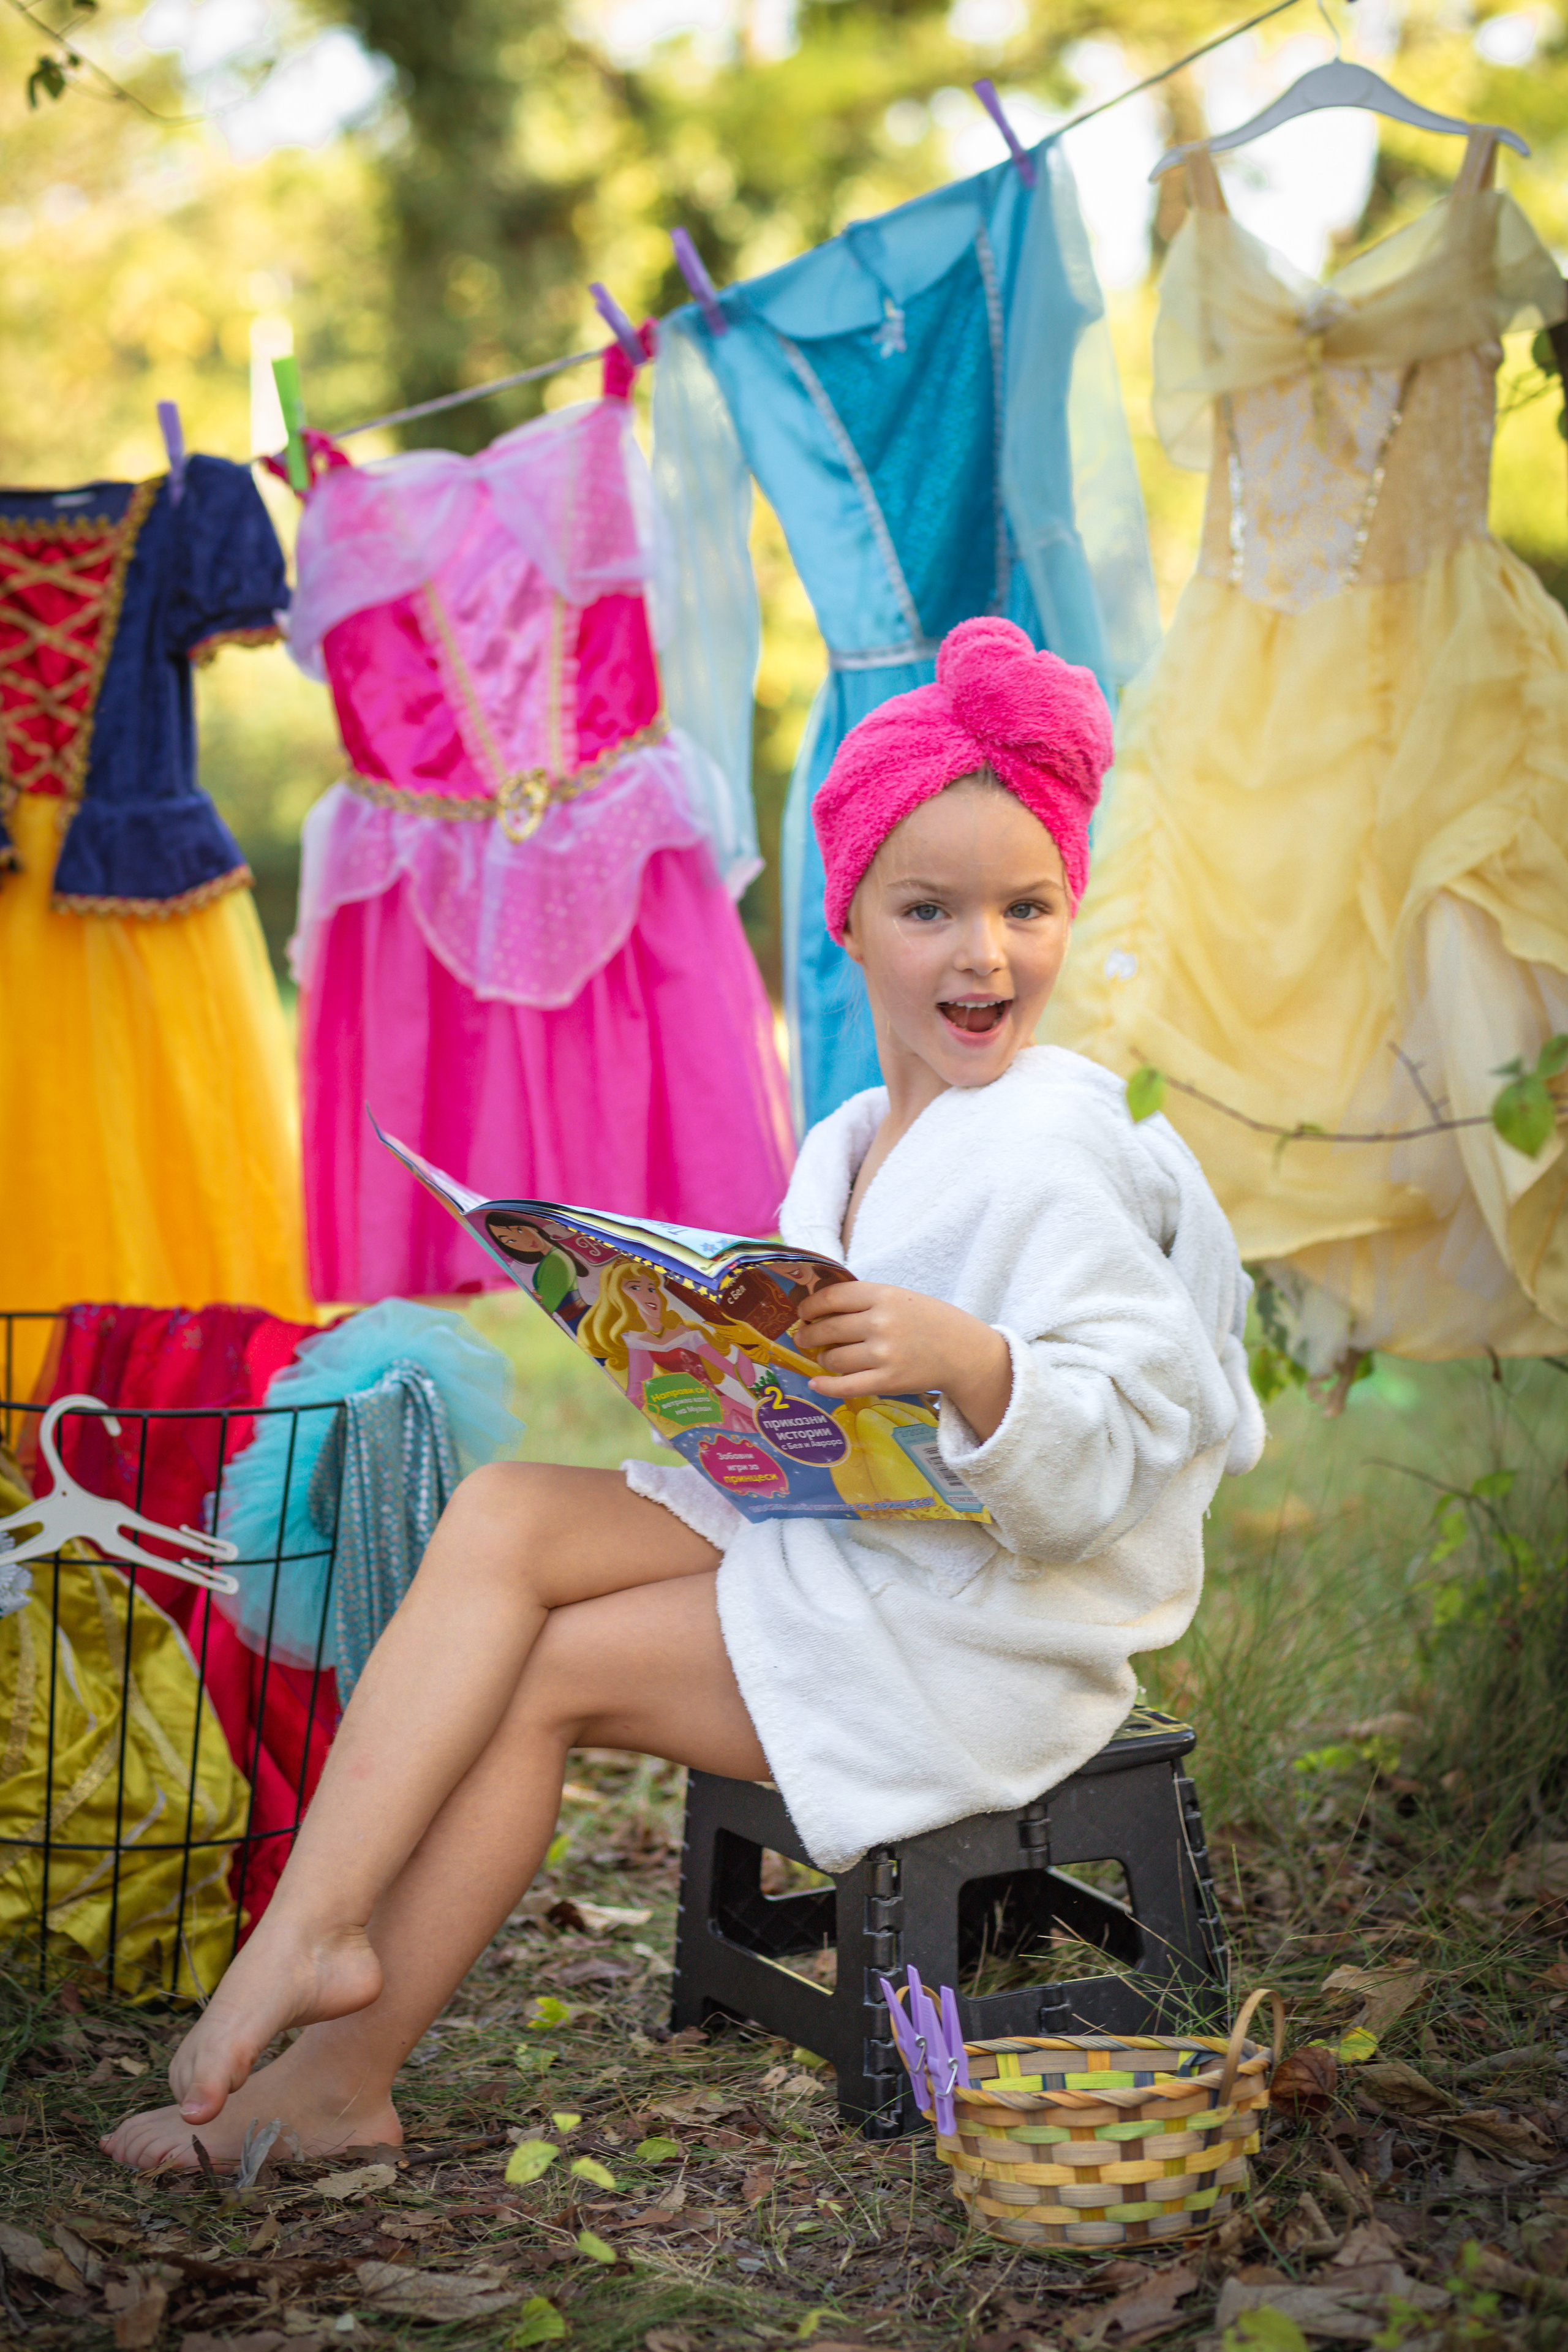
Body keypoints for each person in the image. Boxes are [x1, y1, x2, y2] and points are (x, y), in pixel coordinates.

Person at [103, 616, 1264, 2172]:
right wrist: (693, 1363)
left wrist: (976, 1365)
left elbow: (1113, 1452)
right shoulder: (852, 1133)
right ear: (848, 921)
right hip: (857, 1541)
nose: (983, 954)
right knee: (509, 1510)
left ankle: (335, 2064)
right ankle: (314, 1926)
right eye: (930, 910)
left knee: (548, 1670)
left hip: (978, 1628)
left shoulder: (1056, 1145)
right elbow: (817, 1410)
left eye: (1025, 906)